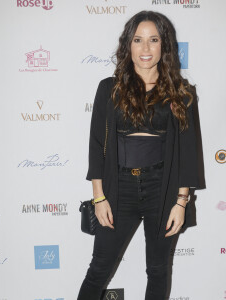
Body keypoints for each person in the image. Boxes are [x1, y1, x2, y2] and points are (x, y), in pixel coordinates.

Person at [77, 10, 203, 300]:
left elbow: (187, 151)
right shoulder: (109, 89)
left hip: (163, 189)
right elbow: (97, 146)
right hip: (117, 187)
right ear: (128, 45)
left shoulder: (181, 92)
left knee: (158, 270)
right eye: (138, 40)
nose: (145, 49)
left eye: (153, 40)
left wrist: (181, 203)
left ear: (164, 45)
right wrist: (99, 197)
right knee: (99, 268)